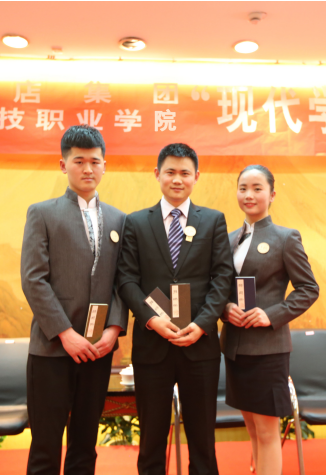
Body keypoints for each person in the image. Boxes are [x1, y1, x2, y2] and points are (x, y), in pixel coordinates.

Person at [117, 143, 233, 475]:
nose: (177, 179)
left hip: (200, 344)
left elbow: (222, 277)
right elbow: (127, 279)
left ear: (196, 176)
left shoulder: (213, 221)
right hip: (152, 345)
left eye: (185, 172)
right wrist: (151, 320)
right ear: (157, 175)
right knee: (152, 439)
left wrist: (202, 323)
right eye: (170, 172)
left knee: (202, 440)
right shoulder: (136, 222)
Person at [21, 124, 128, 475]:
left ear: (104, 166)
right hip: (52, 349)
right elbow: (33, 279)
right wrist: (66, 334)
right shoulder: (42, 213)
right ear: (63, 165)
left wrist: (113, 329)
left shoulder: (119, 219)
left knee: (85, 445)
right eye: (79, 161)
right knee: (45, 446)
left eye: (95, 161)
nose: (87, 169)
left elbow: (122, 281)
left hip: (97, 350)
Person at [221, 164, 319, 475]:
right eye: (243, 188)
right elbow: (218, 288)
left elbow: (308, 289)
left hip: (268, 350)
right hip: (236, 349)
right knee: (252, 429)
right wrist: (225, 308)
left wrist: (271, 314)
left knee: (266, 432)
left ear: (272, 195)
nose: (248, 195)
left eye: (257, 188)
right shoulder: (228, 239)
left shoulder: (285, 238)